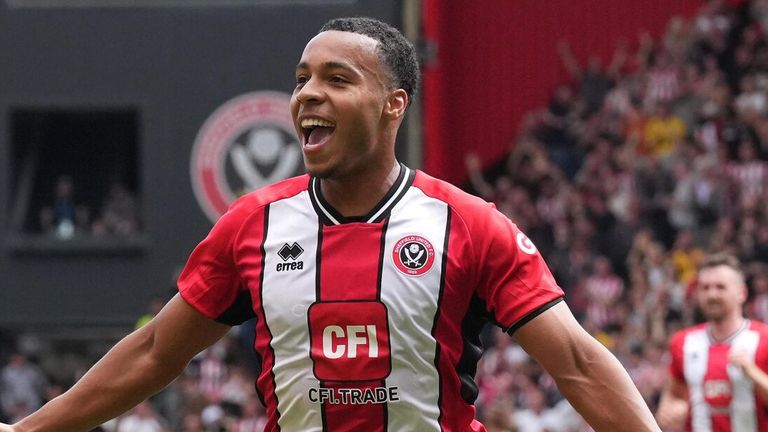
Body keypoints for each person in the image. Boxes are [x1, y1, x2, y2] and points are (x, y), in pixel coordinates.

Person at [0, 17, 660, 431]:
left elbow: (576, 362)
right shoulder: (250, 226)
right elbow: (153, 354)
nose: (308, 94)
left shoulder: (470, 225)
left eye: (337, 79)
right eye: (301, 79)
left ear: (394, 105)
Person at [656, 253, 768, 431]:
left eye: (720, 287)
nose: (712, 294)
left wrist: (752, 372)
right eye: (705, 288)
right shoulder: (683, 342)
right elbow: (672, 395)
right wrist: (670, 410)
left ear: (742, 293)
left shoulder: (763, 338)